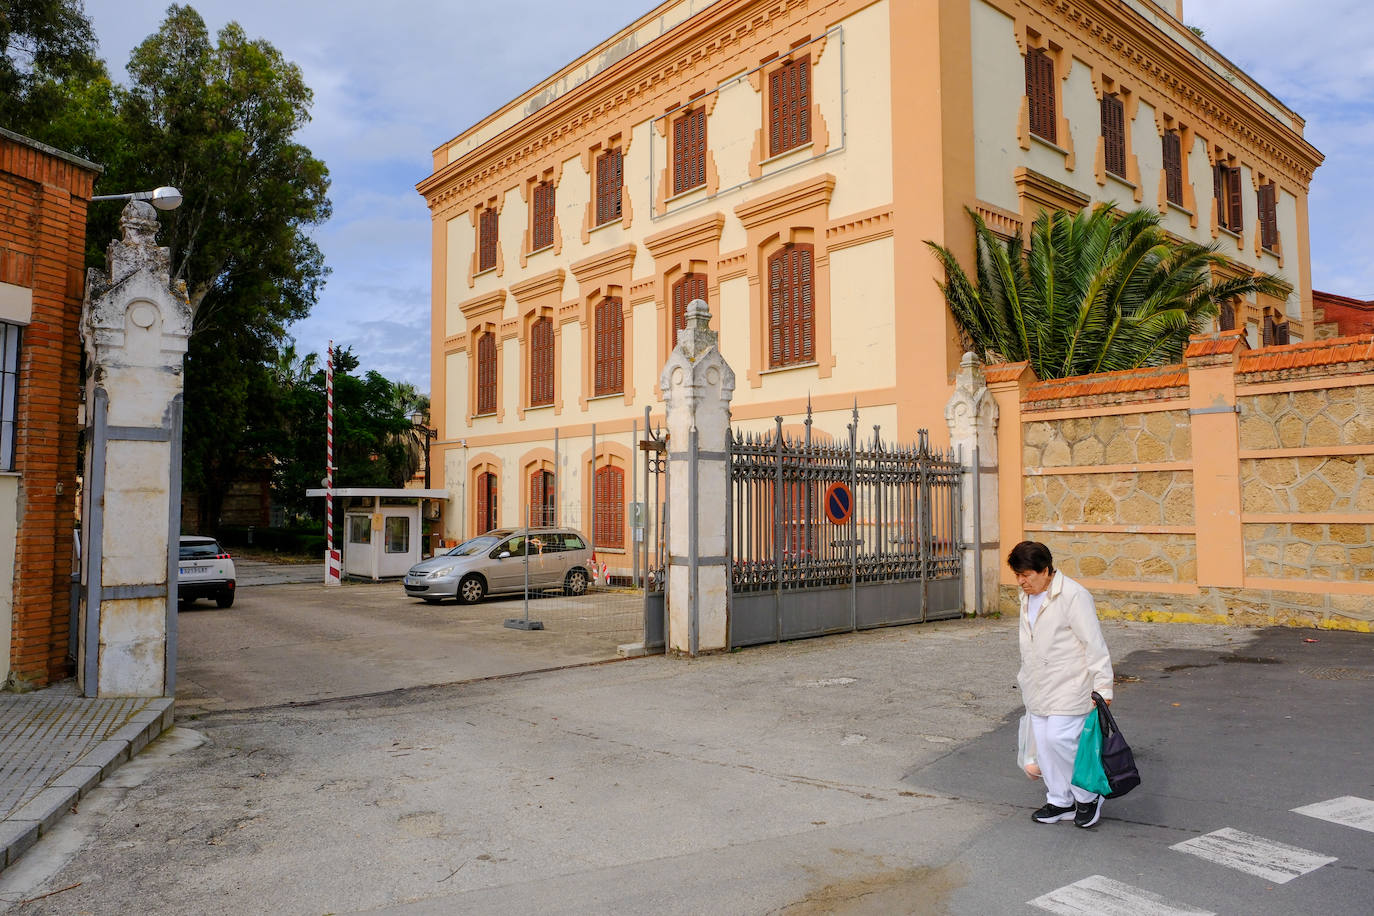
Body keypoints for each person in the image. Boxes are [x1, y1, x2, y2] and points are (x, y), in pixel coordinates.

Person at [1009, 540, 1114, 829]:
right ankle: (1060, 799)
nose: (1021, 581)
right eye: (1017, 575)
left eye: (1026, 575)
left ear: (1045, 571)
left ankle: (1088, 795)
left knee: (1059, 739)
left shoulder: (1073, 596)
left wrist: (1103, 687)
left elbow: (1094, 643)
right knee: (1044, 744)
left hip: (1071, 683)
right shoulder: (1026, 597)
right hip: (1037, 684)